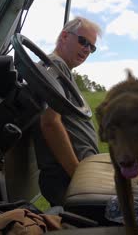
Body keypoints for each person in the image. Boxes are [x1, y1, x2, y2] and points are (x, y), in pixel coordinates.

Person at [33, 16, 102, 206]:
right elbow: (50, 122)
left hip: (76, 172)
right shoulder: (55, 66)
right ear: (64, 36)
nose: (87, 49)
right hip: (66, 176)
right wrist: (78, 174)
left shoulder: (61, 71)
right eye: (83, 41)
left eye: (92, 47)